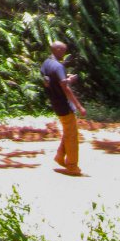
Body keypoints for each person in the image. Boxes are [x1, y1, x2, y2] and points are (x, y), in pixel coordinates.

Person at [40, 40, 86, 176]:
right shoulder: (58, 67)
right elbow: (65, 88)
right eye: (63, 51)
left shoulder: (46, 63)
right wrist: (79, 106)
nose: (64, 54)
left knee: (68, 130)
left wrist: (67, 78)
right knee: (72, 135)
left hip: (55, 102)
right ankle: (72, 165)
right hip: (63, 104)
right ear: (58, 50)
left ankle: (60, 156)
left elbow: (48, 81)